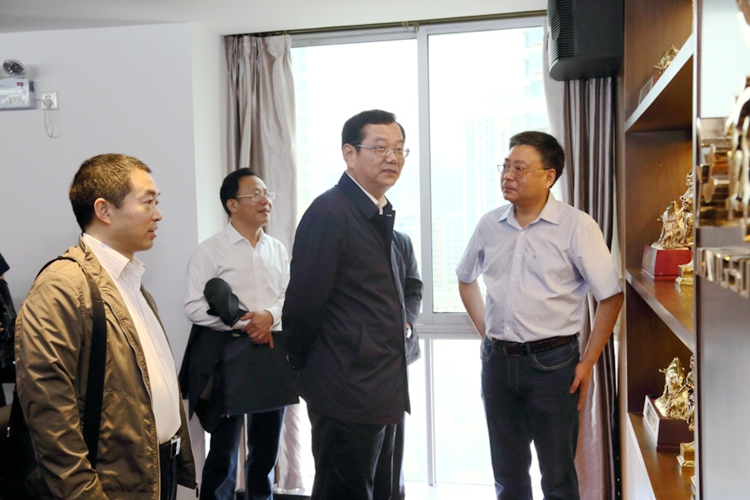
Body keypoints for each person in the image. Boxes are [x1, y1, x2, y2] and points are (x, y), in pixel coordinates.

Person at [15, 154, 196, 500]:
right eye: (148, 202)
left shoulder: (129, 281)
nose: (158, 214)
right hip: (106, 486)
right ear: (104, 210)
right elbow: (49, 414)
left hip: (155, 472)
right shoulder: (62, 287)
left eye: (157, 202)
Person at [456, 131, 623, 500]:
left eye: (519, 168)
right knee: (507, 474)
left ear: (549, 176)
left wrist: (588, 362)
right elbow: (465, 279)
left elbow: (610, 297)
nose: (507, 176)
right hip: (498, 364)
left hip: (554, 364)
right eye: (505, 167)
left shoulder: (576, 225)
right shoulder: (489, 225)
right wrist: (486, 334)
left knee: (558, 476)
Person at [283, 109, 411, 500]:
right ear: (349, 154)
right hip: (346, 388)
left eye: (399, 149)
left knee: (381, 490)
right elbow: (303, 305)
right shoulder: (330, 213)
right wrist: (308, 367)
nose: (392, 157)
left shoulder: (377, 211)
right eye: (380, 148)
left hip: (381, 386)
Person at [182, 168, 289, 500]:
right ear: (232, 204)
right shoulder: (210, 251)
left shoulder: (277, 249)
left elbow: (288, 296)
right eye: (255, 194)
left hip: (270, 352)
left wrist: (269, 316)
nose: (265, 200)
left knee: (266, 448)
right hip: (228, 356)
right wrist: (245, 323)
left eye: (267, 194)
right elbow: (193, 306)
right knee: (224, 451)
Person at [373, 229, 422, 500]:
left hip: (396, 356)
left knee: (394, 439)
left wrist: (407, 322)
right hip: (360, 362)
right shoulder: (346, 237)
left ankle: (393, 493)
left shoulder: (401, 240)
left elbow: (414, 288)